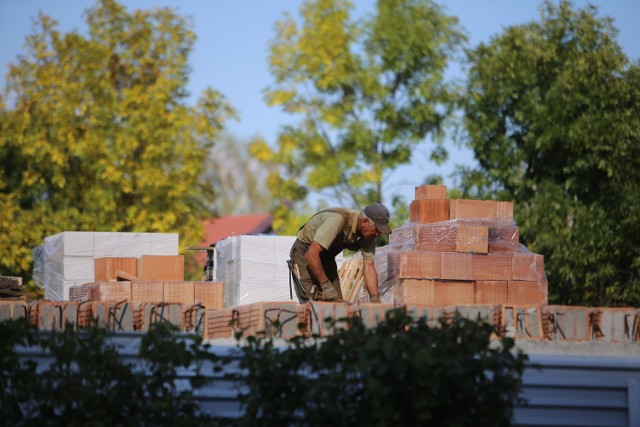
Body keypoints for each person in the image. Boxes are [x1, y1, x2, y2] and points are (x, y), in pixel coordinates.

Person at [289, 202, 392, 303]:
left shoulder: (370, 235)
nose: (377, 234)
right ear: (365, 222)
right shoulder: (337, 220)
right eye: (377, 229)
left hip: (327, 257)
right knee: (312, 302)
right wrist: (326, 286)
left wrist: (375, 299)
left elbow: (369, 266)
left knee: (337, 303)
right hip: (305, 251)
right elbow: (311, 254)